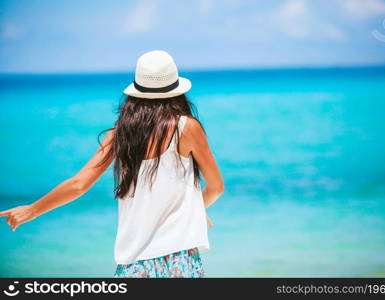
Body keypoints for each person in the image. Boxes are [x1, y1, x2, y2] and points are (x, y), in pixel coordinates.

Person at [0, 50, 224, 278]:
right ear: (176, 91)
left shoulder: (120, 134)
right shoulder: (187, 128)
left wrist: (32, 209)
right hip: (180, 261)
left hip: (133, 267)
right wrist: (193, 210)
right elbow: (216, 187)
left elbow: (78, 184)